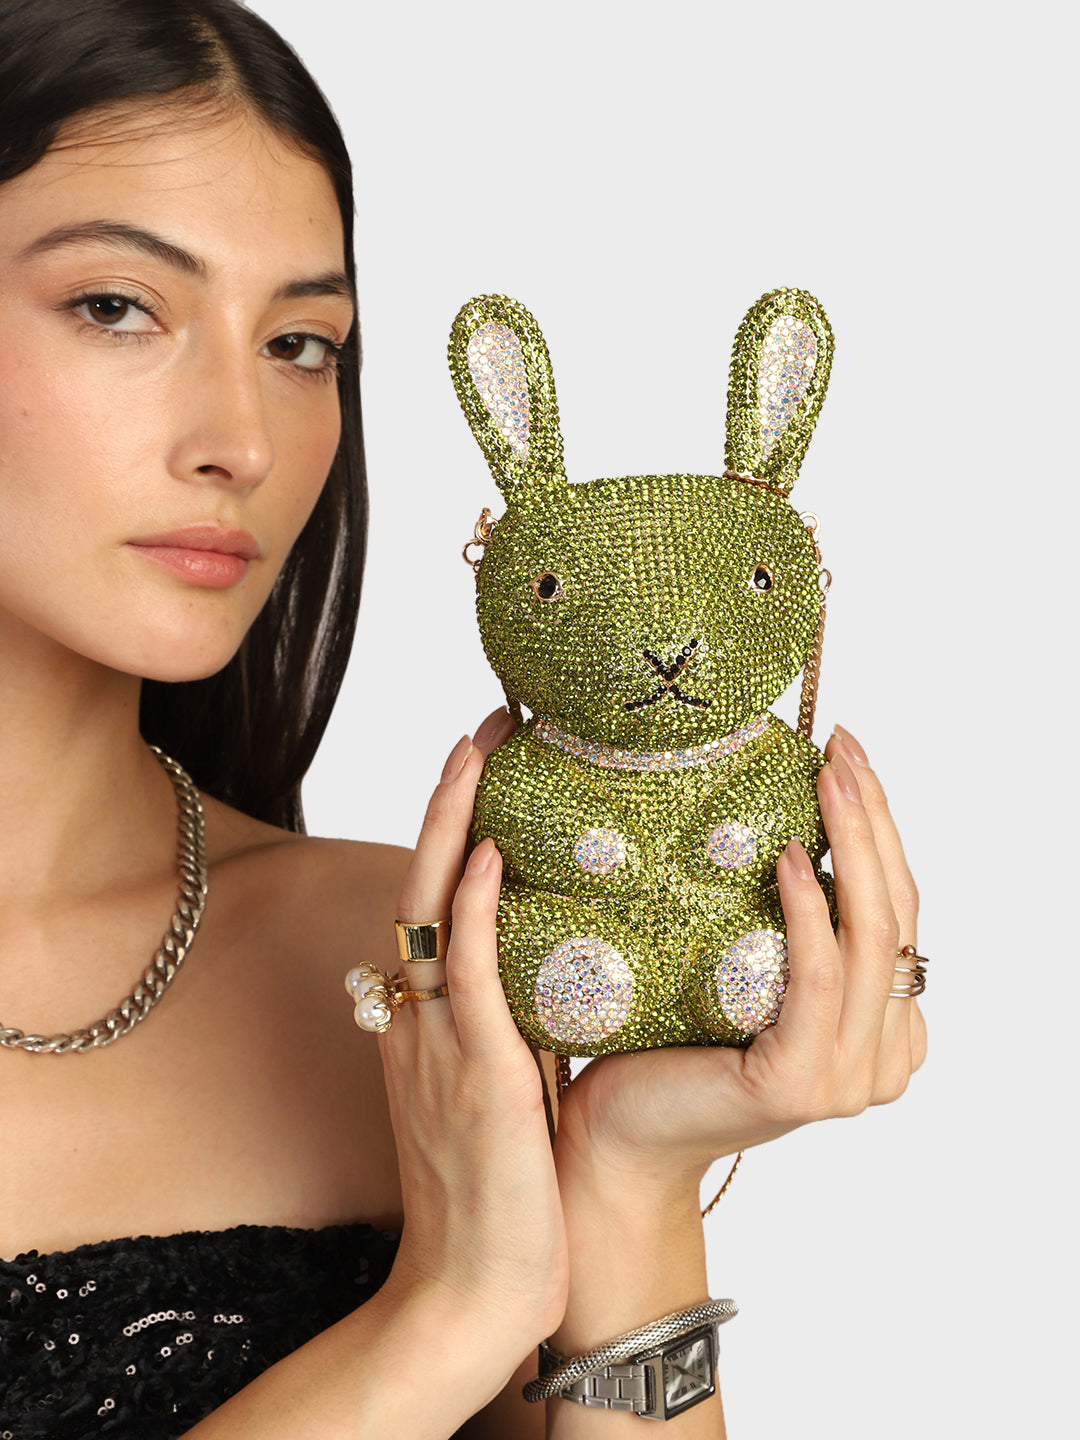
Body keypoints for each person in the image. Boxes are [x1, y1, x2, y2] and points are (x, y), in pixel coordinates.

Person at [0, 1, 926, 1435]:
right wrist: (447, 1316)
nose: (242, 439)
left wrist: (629, 1177)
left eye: (300, 342)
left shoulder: (420, 978)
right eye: (117, 307)